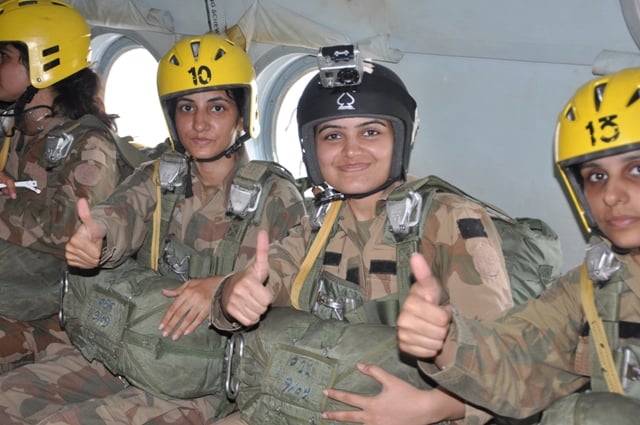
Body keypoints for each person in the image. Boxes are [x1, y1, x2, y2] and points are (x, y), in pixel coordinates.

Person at [0, 32, 306, 425]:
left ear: (242, 114)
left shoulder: (277, 196)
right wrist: (96, 239)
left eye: (216, 107)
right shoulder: (162, 175)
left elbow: (289, 280)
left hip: (203, 376)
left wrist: (223, 286)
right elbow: (121, 212)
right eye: (185, 107)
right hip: (131, 344)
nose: (198, 123)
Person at [211, 59, 514, 424]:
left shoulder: (450, 220)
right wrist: (232, 295)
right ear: (313, 148)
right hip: (311, 403)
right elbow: (269, 274)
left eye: (370, 133)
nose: (351, 151)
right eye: (333, 136)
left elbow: (503, 371)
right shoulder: (319, 221)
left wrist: (431, 407)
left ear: (400, 138)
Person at [396, 67, 640, 425]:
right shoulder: (595, 285)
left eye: (636, 170)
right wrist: (444, 339)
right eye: (596, 176)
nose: (612, 195)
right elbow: (518, 361)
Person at [0, 0, 125, 373]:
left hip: (47, 316)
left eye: (3, 56)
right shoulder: (22, 129)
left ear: (42, 63)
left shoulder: (90, 144)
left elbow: (74, 233)